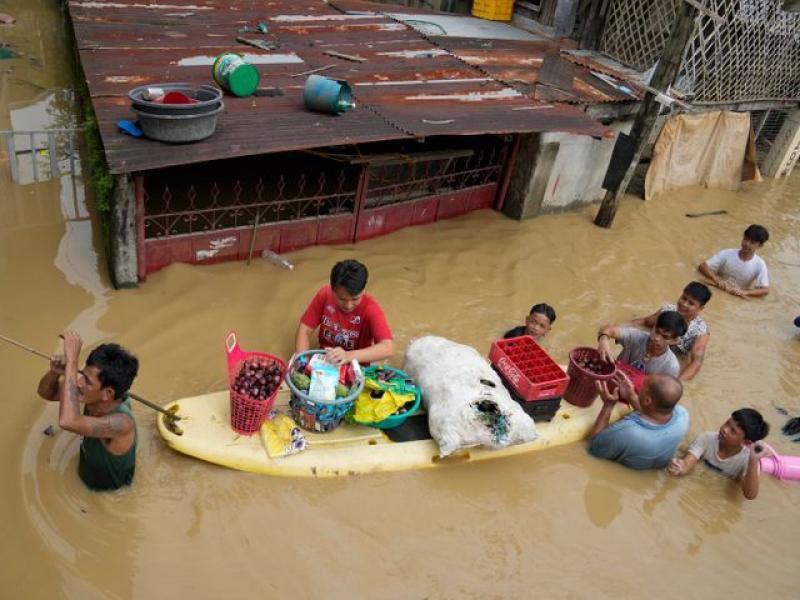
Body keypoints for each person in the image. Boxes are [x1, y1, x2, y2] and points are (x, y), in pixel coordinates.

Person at [37, 331, 139, 491]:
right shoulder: (89, 394)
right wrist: (54, 373)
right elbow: (46, 393)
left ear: (107, 394)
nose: (78, 383)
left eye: (87, 381)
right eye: (82, 375)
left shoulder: (122, 423)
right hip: (87, 474)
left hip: (110, 495)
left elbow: (67, 421)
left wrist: (72, 361)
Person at [295, 259, 394, 365]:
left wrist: (348, 356)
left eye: (355, 299)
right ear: (333, 290)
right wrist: (303, 362)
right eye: (342, 299)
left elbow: (388, 347)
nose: (348, 305)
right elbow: (304, 330)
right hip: (325, 357)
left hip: (356, 364)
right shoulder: (324, 295)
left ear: (363, 290)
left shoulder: (370, 309)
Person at [589, 371, 688, 470]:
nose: (639, 388)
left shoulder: (627, 432)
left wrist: (608, 406)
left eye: (642, 387)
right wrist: (631, 396)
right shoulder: (683, 415)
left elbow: (594, 448)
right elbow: (653, 414)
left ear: (647, 401)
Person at [668, 409, 771, 500]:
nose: (725, 429)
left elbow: (750, 495)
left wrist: (753, 460)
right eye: (727, 423)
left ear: (746, 442)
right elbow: (687, 464)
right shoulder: (706, 438)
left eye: (733, 431)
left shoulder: (749, 460)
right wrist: (680, 467)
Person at [630, 282, 712, 381]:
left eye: (691, 303)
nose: (684, 304)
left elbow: (696, 362)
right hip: (651, 348)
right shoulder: (667, 310)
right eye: (683, 298)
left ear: (700, 308)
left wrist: (676, 382)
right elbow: (645, 322)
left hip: (673, 358)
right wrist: (622, 327)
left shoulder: (701, 331)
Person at [597, 311, 688, 377]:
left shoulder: (671, 366)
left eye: (665, 337)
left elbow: (661, 395)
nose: (657, 338)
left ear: (674, 341)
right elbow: (609, 329)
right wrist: (604, 339)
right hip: (614, 376)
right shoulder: (636, 336)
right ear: (654, 326)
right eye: (656, 331)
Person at [698, 224, 770, 298]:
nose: (747, 244)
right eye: (746, 239)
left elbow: (765, 290)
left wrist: (745, 292)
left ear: (760, 246)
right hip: (717, 287)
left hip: (737, 295)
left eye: (752, 242)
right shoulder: (727, 253)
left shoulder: (760, 264)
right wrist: (716, 279)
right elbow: (703, 266)